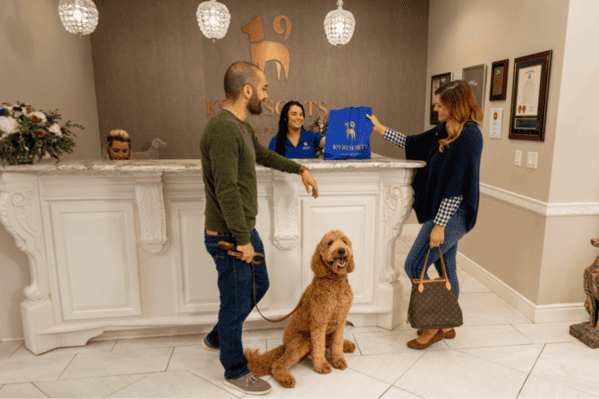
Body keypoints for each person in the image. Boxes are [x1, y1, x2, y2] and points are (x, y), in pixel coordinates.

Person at [199, 62, 319, 395]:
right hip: (229, 237)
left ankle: (216, 337)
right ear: (247, 90)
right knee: (236, 301)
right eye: (264, 88)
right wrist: (241, 240)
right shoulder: (223, 129)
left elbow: (264, 155)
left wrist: (300, 168)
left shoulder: (241, 127)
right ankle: (235, 369)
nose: (267, 95)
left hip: (242, 232)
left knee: (259, 284)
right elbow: (227, 190)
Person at [367, 80, 483, 350]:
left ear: (454, 105)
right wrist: (380, 128)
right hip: (443, 212)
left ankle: (432, 324)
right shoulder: (447, 129)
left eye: (440, 104)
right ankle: (448, 320)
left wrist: (439, 226)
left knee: (414, 265)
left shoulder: (470, 136)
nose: (435, 107)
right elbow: (412, 142)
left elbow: (456, 187)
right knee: (446, 267)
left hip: (455, 213)